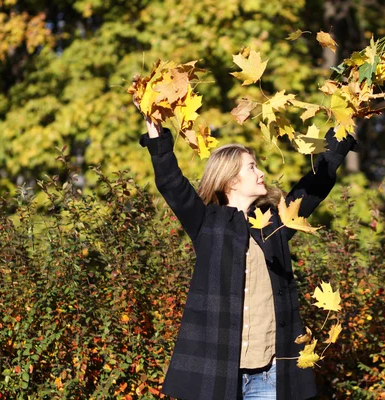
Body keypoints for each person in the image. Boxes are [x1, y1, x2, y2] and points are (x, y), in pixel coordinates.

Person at [138, 113, 359, 400]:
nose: (261, 173)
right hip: (217, 372)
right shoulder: (207, 222)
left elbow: (313, 187)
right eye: (252, 167)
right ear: (230, 179)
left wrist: (340, 134)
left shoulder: (274, 223)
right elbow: (172, 184)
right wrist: (157, 137)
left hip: (269, 374)